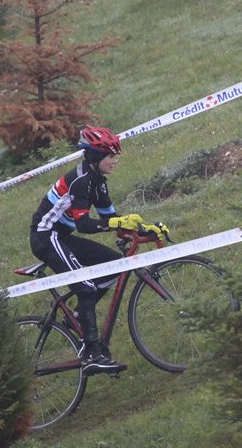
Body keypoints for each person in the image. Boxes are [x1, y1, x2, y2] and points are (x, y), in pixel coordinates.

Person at [29, 126, 165, 375]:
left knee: (116, 265)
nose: (115, 161)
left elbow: (111, 219)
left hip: (62, 236)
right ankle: (92, 355)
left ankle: (81, 316)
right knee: (86, 287)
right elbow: (84, 224)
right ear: (94, 157)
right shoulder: (80, 181)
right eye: (110, 156)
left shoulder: (98, 182)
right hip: (45, 237)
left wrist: (146, 230)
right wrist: (116, 223)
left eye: (116, 155)